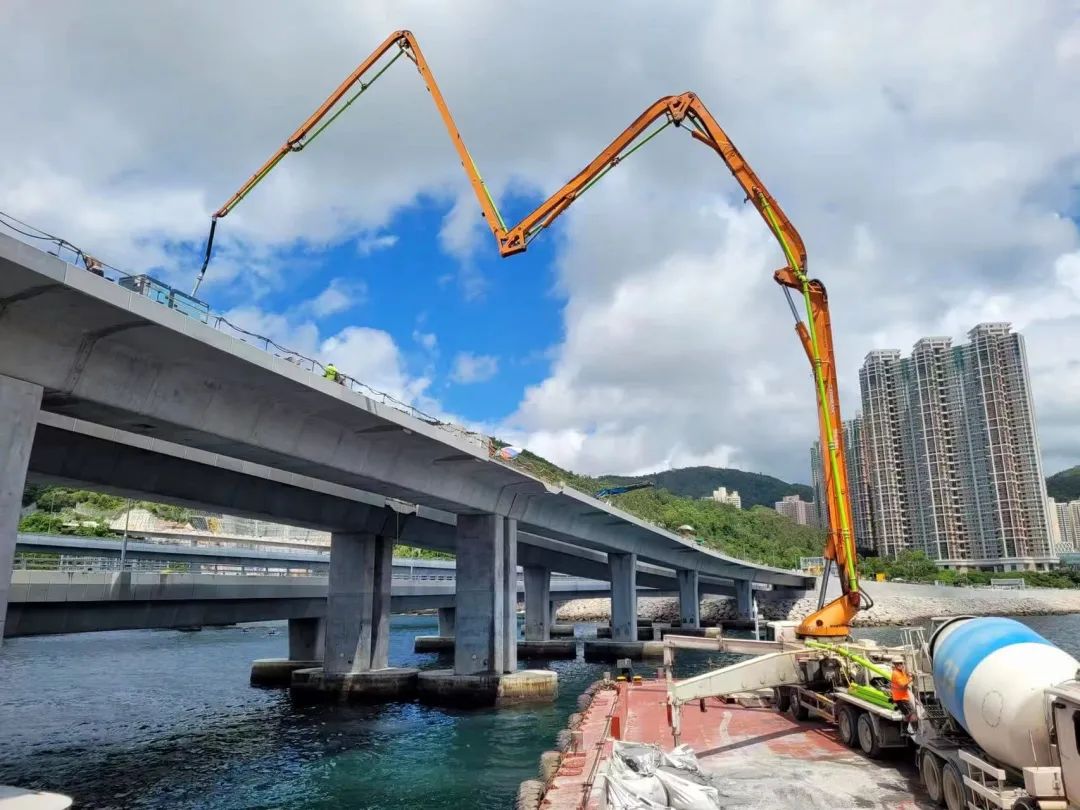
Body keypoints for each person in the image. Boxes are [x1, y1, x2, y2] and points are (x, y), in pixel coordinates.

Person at [890, 658, 915, 730]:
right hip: (900, 698)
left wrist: (909, 675)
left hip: (904, 697)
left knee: (910, 712)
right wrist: (911, 679)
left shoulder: (901, 672)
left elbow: (905, 679)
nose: (900, 665)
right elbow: (902, 684)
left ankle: (908, 728)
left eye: (901, 663)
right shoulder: (895, 673)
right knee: (911, 713)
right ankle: (912, 729)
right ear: (894, 665)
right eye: (897, 664)